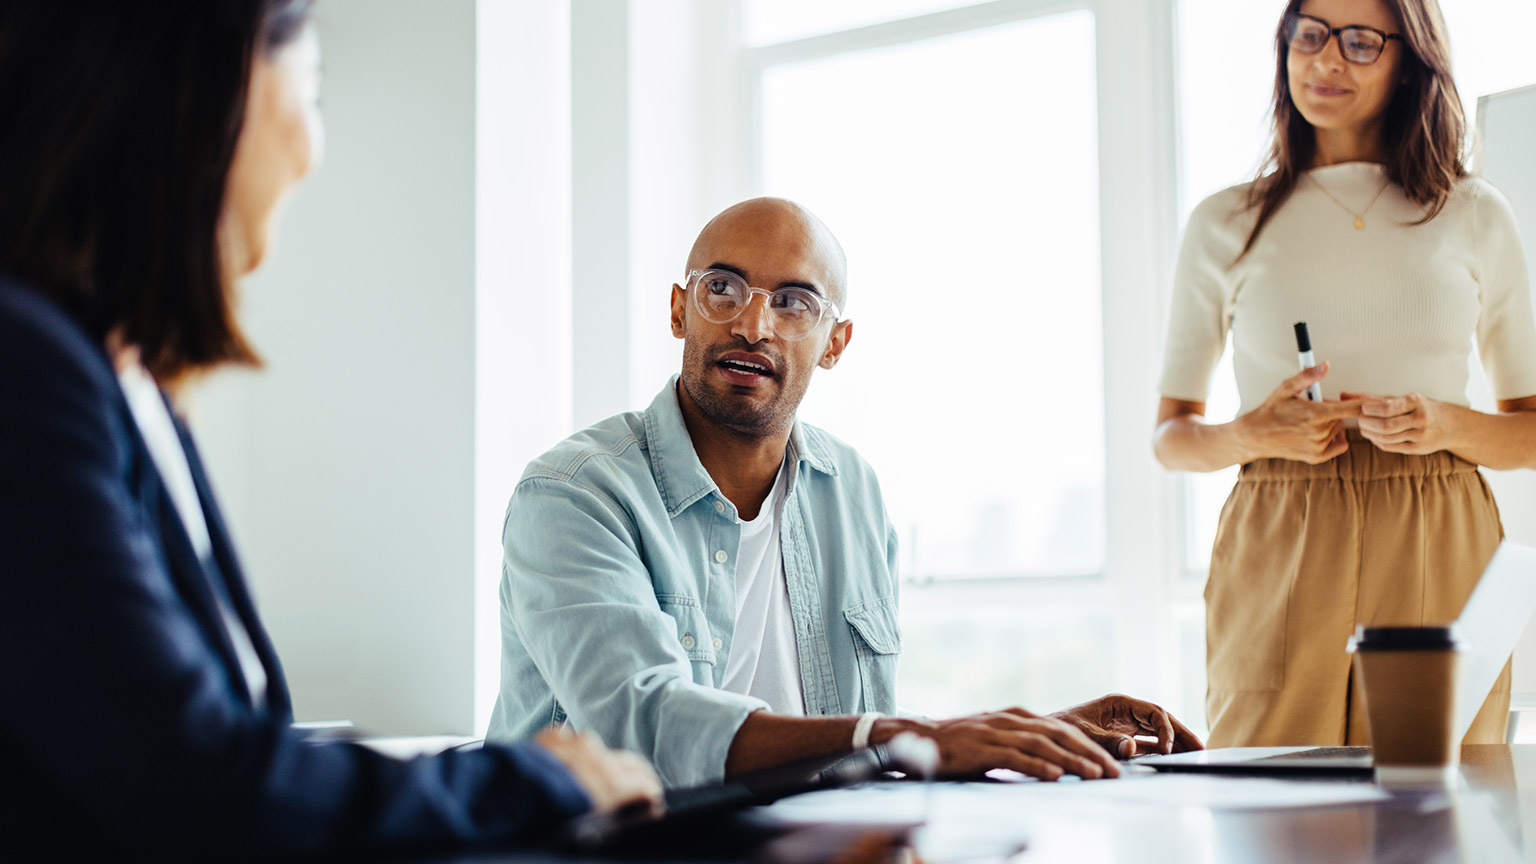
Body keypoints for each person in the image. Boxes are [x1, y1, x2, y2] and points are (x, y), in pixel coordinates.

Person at [0, 1, 661, 856]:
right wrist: (540, 777)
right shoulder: (27, 365)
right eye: (311, 91)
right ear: (213, 95)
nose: (313, 154)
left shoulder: (128, 386)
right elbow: (190, 782)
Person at [488, 196, 1203, 788]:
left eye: (794, 302)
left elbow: (851, 735)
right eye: (722, 289)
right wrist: (919, 737)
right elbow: (643, 735)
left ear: (835, 342)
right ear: (680, 310)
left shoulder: (852, 490)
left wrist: (1027, 736)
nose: (751, 324)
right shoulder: (574, 495)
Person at [1154, 0, 1536, 748]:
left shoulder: (1474, 214)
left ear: (1408, 61)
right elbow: (1171, 437)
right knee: (1271, 812)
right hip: (1278, 520)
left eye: (1361, 41)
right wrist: (1252, 432)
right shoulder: (1225, 221)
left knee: (1437, 809)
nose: (1327, 60)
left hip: (1440, 517)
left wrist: (1444, 424)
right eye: (1311, 34)